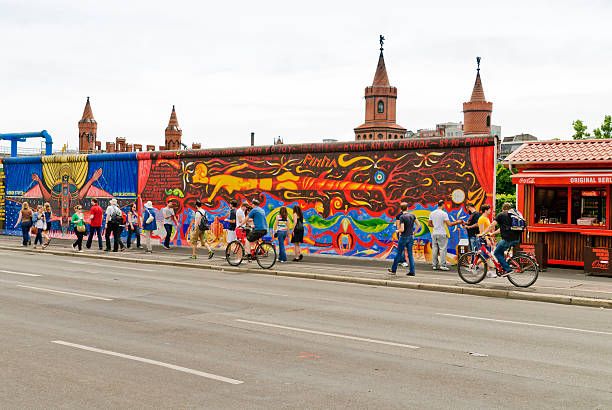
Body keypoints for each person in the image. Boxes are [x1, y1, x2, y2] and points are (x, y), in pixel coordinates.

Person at [479, 202, 522, 275]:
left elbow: (492, 225)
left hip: (508, 239)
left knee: (496, 252)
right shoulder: (512, 215)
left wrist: (483, 233)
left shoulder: (501, 215)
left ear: (503, 209)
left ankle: (507, 269)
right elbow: (501, 229)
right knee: (499, 245)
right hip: (516, 239)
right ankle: (503, 264)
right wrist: (492, 234)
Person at [428, 199, 462, 271]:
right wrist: (458, 222)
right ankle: (442, 265)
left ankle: (434, 265)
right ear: (443, 205)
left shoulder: (432, 213)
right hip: (442, 233)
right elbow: (449, 224)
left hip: (434, 233)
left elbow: (429, 224)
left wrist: (435, 226)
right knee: (443, 249)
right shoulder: (444, 213)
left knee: (435, 249)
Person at [388, 202, 421, 275]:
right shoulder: (412, 215)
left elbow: (402, 229)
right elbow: (419, 225)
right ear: (407, 208)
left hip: (403, 237)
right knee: (410, 255)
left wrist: (397, 230)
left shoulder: (402, 217)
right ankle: (412, 271)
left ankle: (393, 270)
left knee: (399, 254)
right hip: (410, 237)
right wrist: (414, 233)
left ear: (401, 209)